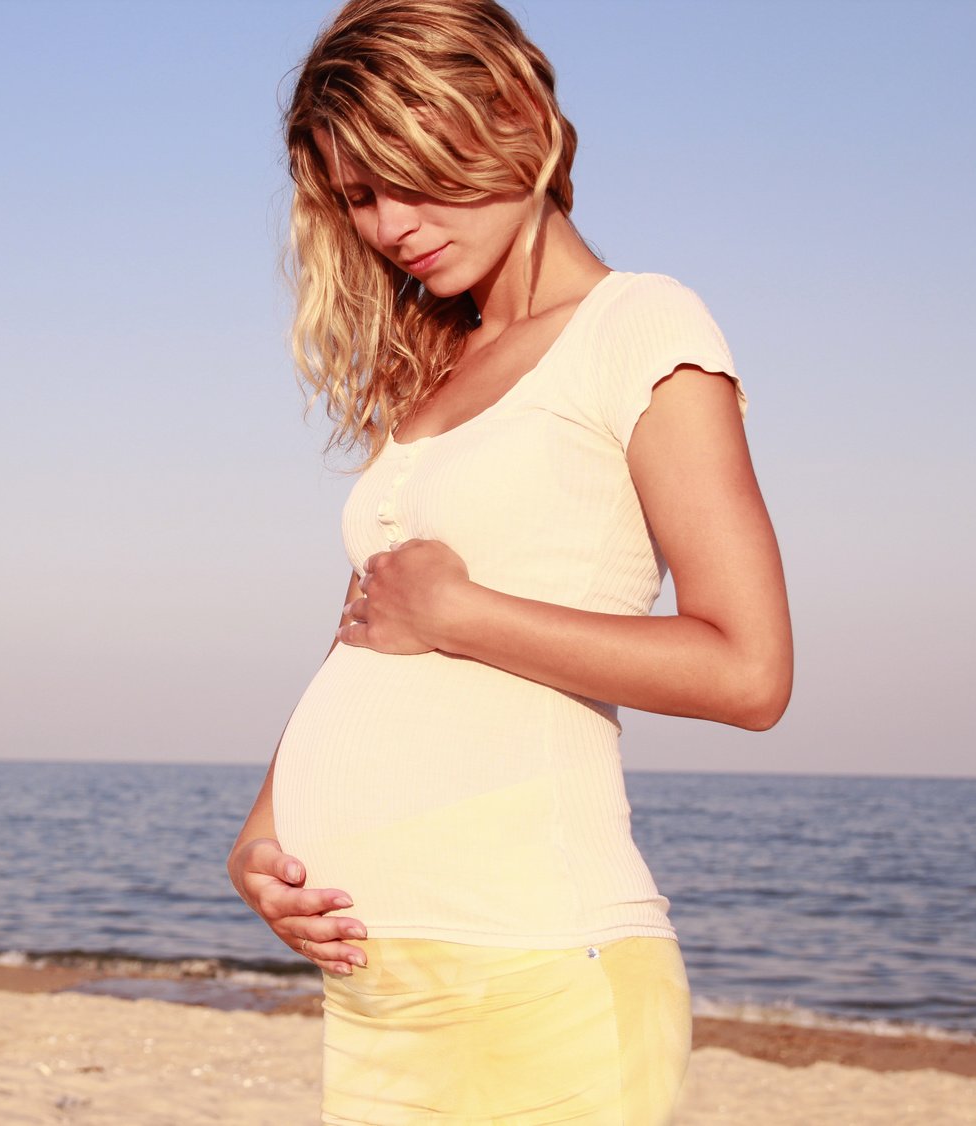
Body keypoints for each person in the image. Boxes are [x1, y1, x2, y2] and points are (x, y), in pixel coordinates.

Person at [227, 1, 793, 1122]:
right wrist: (264, 829)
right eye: (356, 197)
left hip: (539, 973)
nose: (388, 225)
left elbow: (747, 670)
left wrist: (463, 613)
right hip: (383, 989)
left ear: (510, 118)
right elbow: (379, 621)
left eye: (408, 175)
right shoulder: (434, 371)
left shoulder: (636, 324)